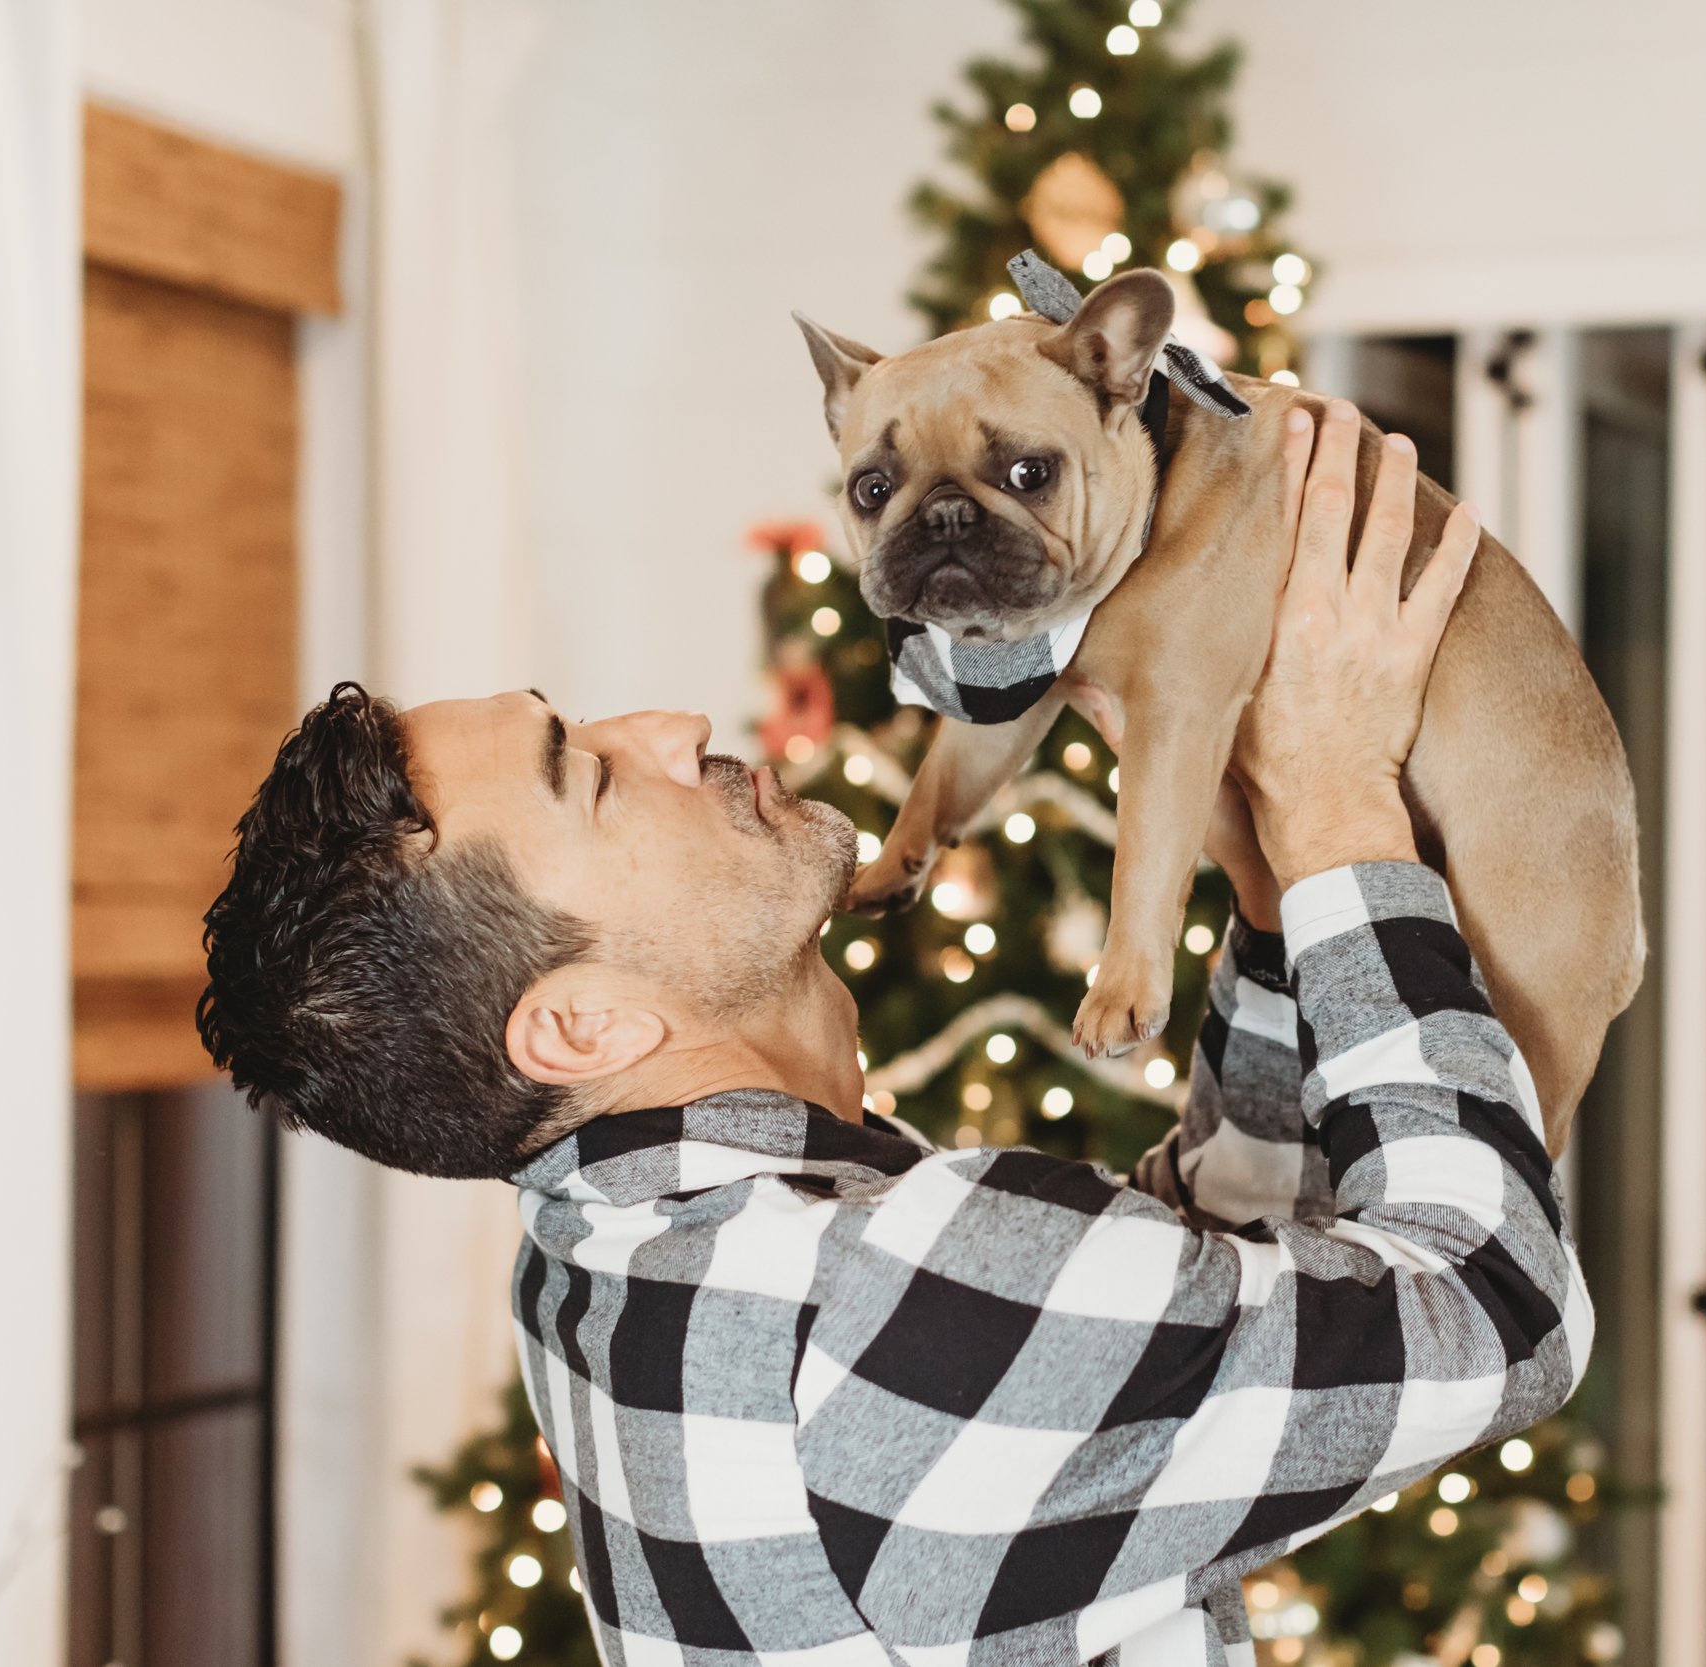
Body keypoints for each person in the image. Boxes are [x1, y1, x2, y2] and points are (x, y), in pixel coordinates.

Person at [198, 401, 1590, 1665]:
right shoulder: (866, 1306)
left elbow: (1180, 1292)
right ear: (581, 1022)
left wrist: (1281, 903)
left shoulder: (622, 1249)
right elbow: (1500, 1314)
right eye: (592, 776)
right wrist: (1344, 805)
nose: (673, 728)